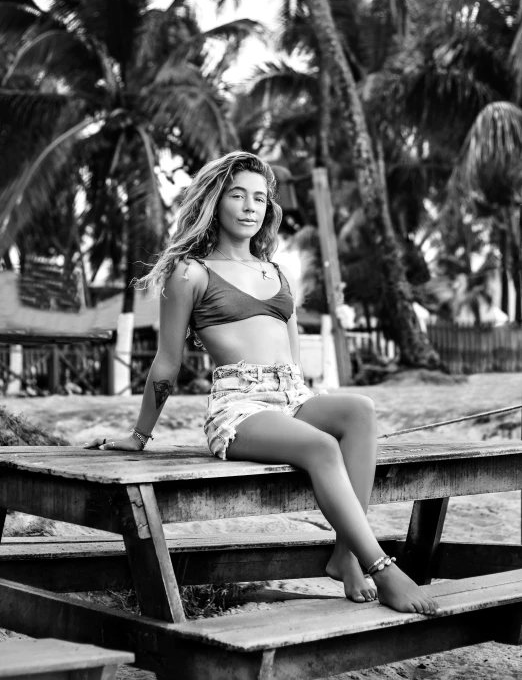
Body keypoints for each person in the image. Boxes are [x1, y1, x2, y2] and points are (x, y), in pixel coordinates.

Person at [85, 151, 441, 616]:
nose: (250, 206)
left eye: (259, 197)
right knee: (322, 448)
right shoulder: (191, 272)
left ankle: (344, 554)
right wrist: (139, 435)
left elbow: (291, 357)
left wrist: (303, 401)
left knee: (360, 411)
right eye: (237, 195)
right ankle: (380, 565)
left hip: (291, 394)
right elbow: (167, 363)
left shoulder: (275, 271)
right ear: (215, 202)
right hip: (240, 407)